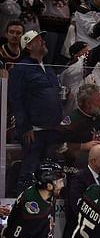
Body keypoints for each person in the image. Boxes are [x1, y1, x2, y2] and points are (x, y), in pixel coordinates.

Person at [8, 30, 63, 194]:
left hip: (52, 130)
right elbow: (16, 100)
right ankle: (24, 205)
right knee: (29, 171)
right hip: (34, 132)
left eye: (42, 39)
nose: (43, 42)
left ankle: (47, 208)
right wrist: (25, 127)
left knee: (51, 172)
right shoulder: (21, 69)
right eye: (38, 40)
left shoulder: (48, 68)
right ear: (29, 46)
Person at [0, 161, 65, 238]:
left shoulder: (46, 195)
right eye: (60, 182)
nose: (62, 185)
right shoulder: (32, 206)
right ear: (49, 185)